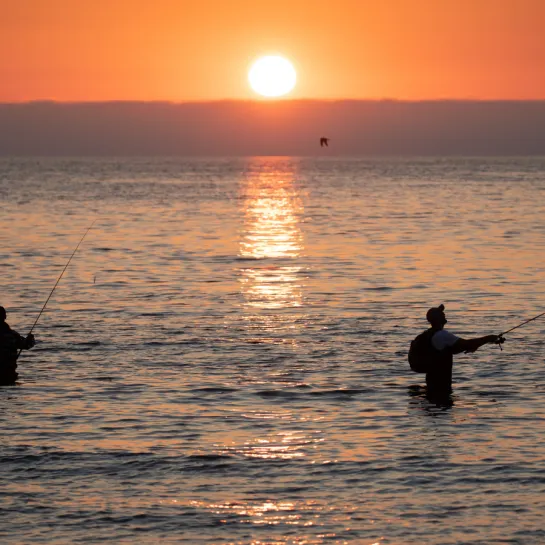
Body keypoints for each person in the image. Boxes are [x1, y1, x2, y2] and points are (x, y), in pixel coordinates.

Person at [422, 304, 503, 398]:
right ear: (437, 319)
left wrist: (486, 342)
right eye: (440, 313)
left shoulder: (429, 334)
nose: (443, 313)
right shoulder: (442, 335)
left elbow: (456, 348)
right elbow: (467, 344)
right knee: (443, 404)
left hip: (433, 380)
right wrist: (489, 338)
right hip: (440, 382)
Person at [0, 306, 35, 384]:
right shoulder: (12, 335)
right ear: (5, 317)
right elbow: (27, 345)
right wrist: (31, 338)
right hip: (9, 374)